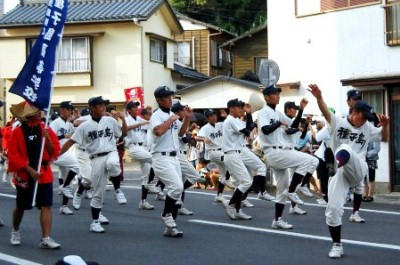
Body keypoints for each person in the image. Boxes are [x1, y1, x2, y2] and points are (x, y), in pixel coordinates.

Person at [308, 84, 389, 259]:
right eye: (364, 116)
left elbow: (384, 137)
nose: (366, 120)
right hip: (341, 172)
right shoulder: (340, 122)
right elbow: (325, 112)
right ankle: (337, 245)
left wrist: (386, 126)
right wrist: (319, 97)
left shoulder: (367, 128)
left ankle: (355, 211)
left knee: (345, 148)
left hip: (359, 167)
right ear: (355, 113)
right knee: (332, 210)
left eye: (368, 117)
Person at [60, 96, 127, 233]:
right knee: (98, 193)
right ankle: (95, 222)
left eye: (104, 105)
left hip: (111, 151)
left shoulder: (110, 120)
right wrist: (56, 154)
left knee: (113, 163)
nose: (103, 108)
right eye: (100, 105)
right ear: (92, 108)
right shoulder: (85, 126)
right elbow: (70, 142)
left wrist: (124, 119)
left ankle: (118, 190)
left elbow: (122, 133)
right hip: (95, 158)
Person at [258, 85, 319, 229]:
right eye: (275, 94)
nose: (278, 96)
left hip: (281, 153)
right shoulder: (263, 112)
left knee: (281, 190)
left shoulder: (277, 112)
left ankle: (277, 220)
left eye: (278, 94)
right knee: (311, 160)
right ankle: (294, 190)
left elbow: (294, 124)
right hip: (274, 152)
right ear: (267, 97)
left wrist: (301, 109)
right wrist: (279, 123)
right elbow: (265, 130)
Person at [8, 101, 61, 249]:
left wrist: (48, 138)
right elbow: (13, 155)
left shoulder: (45, 129)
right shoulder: (17, 132)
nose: (39, 112)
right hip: (25, 174)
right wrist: (29, 170)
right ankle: (15, 230)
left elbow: (54, 151)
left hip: (43, 173)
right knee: (21, 206)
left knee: (46, 205)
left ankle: (46, 238)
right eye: (34, 111)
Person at [150, 86, 192, 237]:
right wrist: (171, 119)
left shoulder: (171, 115)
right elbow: (158, 131)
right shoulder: (157, 115)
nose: (170, 99)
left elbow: (181, 133)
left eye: (171, 96)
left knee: (178, 190)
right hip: (161, 156)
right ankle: (166, 214)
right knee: (176, 186)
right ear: (159, 100)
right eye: (167, 97)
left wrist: (186, 118)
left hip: (174, 157)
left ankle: (170, 228)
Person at [221, 99, 255, 220]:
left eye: (242, 107)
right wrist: (249, 117)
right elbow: (248, 131)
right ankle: (231, 205)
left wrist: (249, 113)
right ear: (231, 109)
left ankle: (237, 209)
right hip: (231, 154)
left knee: (245, 182)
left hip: (235, 154)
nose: (241, 109)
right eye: (239, 107)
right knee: (246, 182)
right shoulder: (230, 120)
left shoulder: (235, 120)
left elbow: (249, 127)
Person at [50, 101, 81, 215]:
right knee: (77, 165)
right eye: (68, 109)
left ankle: (64, 206)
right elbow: (49, 137)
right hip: (57, 152)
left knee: (67, 179)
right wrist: (63, 135)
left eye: (71, 109)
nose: (70, 111)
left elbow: (78, 131)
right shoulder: (55, 123)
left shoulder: (68, 124)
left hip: (65, 153)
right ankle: (65, 186)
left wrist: (77, 118)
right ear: (62, 110)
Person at [171, 101, 201, 216]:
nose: (185, 111)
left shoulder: (180, 122)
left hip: (183, 153)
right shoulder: (177, 122)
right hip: (178, 154)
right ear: (178, 111)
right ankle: (177, 197)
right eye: (183, 110)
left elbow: (186, 136)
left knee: (182, 181)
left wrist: (189, 135)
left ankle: (180, 205)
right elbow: (184, 138)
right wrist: (189, 136)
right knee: (195, 176)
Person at [125, 101, 155, 210]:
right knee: (156, 160)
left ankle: (143, 201)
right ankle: (153, 185)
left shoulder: (138, 119)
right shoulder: (126, 119)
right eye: (133, 107)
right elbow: (124, 129)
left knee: (146, 175)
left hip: (143, 148)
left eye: (136, 106)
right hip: (134, 148)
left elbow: (150, 122)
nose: (136, 108)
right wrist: (139, 124)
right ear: (128, 110)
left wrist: (150, 114)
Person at [106, 106, 128, 205]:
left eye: (115, 114)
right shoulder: (101, 121)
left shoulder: (115, 123)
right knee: (89, 180)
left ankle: (117, 189)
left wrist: (123, 118)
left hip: (113, 149)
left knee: (115, 164)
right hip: (97, 153)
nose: (114, 115)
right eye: (112, 114)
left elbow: (124, 133)